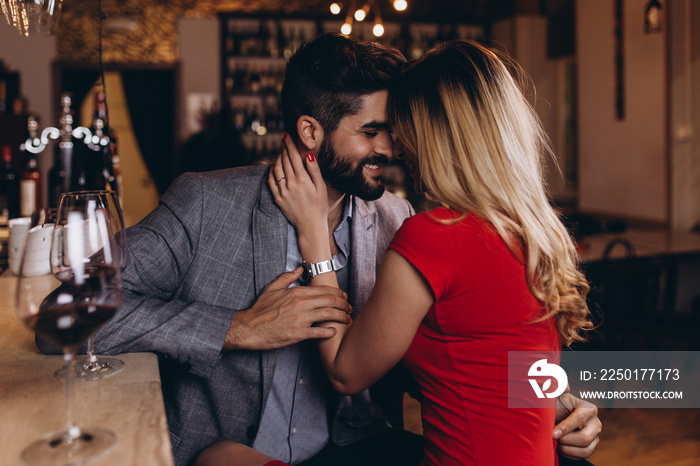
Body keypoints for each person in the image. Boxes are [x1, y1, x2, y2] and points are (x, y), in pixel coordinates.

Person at [37, 34, 600, 466]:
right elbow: (62, 314)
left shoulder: (400, 220)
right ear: (311, 132)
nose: (394, 147)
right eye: (374, 132)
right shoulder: (207, 204)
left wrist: (554, 398)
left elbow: (462, 348)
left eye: (399, 130)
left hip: (359, 448)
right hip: (238, 451)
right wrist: (236, 328)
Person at [268, 39, 596, 465]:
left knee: (218, 457)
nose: (396, 148)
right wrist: (562, 403)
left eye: (403, 127)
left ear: (438, 134)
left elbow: (345, 372)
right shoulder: (534, 232)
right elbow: (503, 364)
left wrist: (314, 233)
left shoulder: (434, 237)